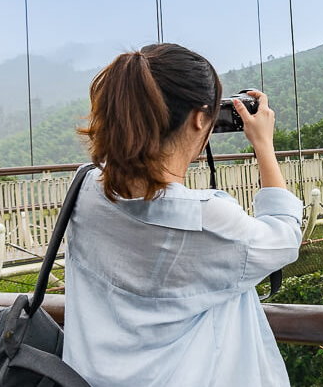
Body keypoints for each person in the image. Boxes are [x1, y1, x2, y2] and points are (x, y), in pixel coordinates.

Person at [64, 43, 301, 386]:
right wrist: (263, 145)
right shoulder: (205, 218)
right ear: (199, 118)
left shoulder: (85, 190)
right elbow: (284, 236)